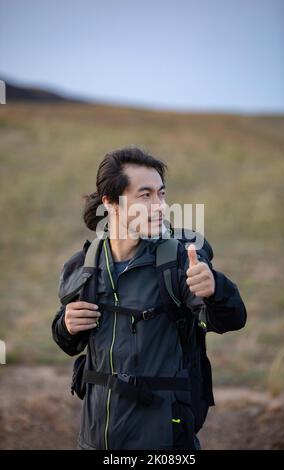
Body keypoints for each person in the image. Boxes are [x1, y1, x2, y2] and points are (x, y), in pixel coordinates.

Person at [52, 146, 247, 450]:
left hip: (164, 441)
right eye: (145, 195)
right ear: (110, 203)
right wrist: (65, 325)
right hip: (94, 440)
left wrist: (214, 289)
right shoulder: (84, 265)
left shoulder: (177, 262)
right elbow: (68, 343)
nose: (160, 206)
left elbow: (232, 320)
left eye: (161, 194)